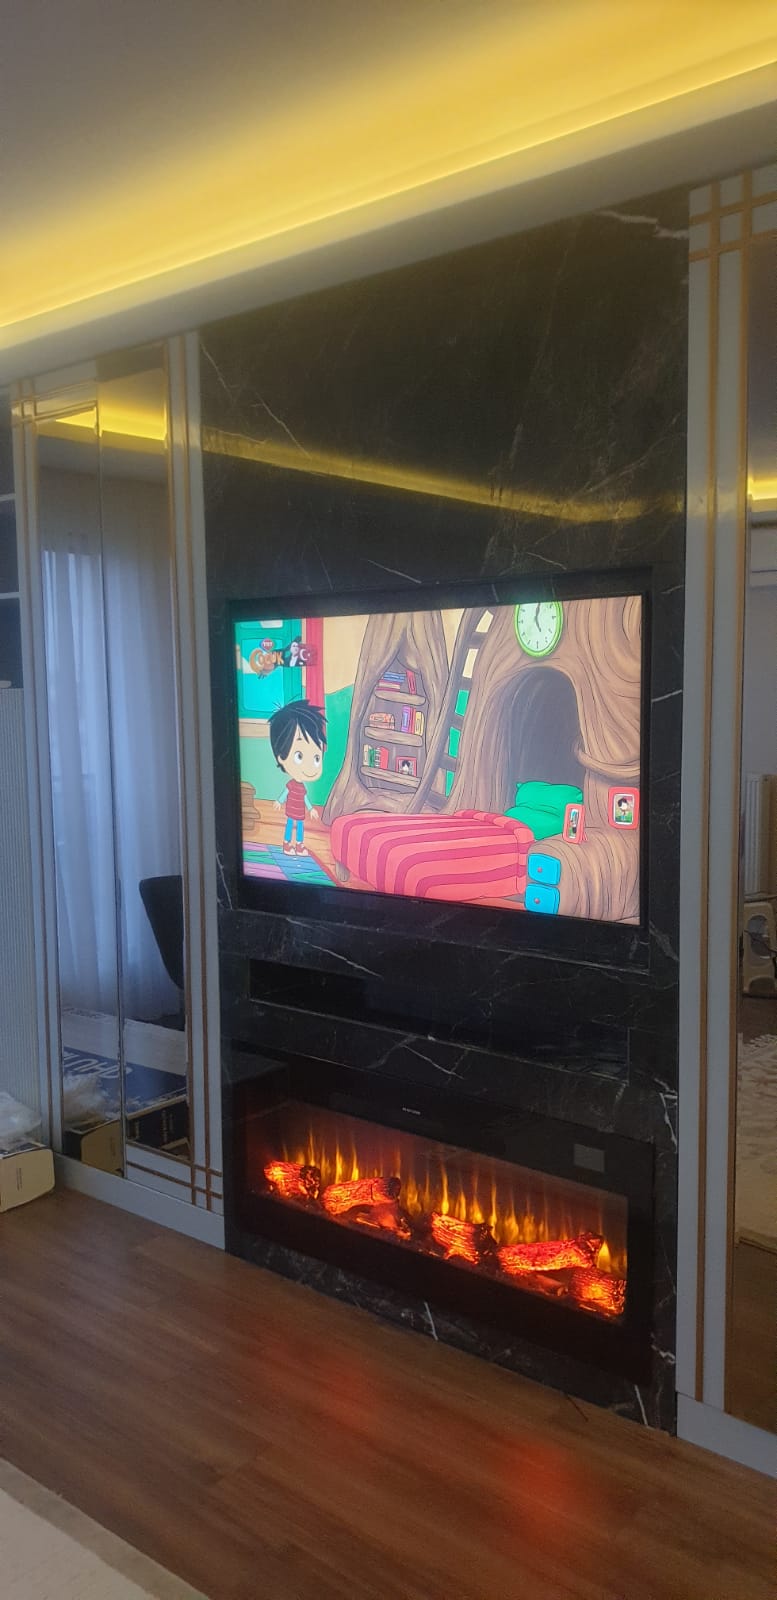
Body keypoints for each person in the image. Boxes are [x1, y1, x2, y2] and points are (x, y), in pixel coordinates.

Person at [270, 699, 327, 856]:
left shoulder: (302, 787)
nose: (310, 767)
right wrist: (279, 801)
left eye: (316, 758)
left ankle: (299, 845)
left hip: (300, 811)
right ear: (281, 757)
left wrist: (311, 809)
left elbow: (305, 798)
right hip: (291, 810)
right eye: (299, 756)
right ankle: (287, 843)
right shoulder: (291, 784)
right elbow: (286, 793)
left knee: (300, 826)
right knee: (290, 825)